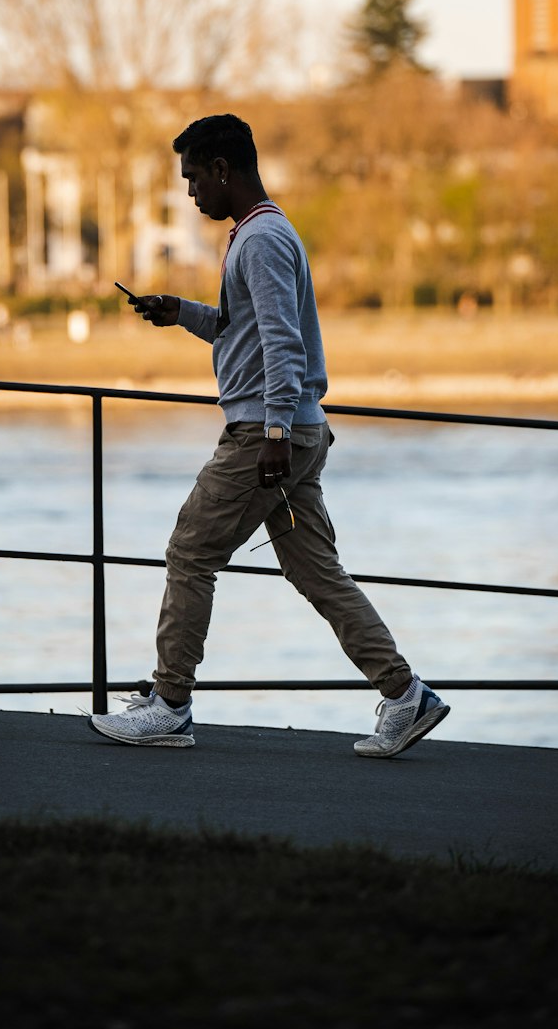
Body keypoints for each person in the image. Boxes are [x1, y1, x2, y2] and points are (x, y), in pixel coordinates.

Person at [90, 113, 449, 759]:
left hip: (266, 431)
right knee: (317, 573)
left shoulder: (258, 241)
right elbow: (246, 329)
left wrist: (276, 433)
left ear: (223, 169)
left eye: (195, 178)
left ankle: (169, 704)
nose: (191, 192)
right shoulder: (260, 234)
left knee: (190, 552)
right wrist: (181, 314)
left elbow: (283, 343)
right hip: (293, 429)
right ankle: (405, 695)